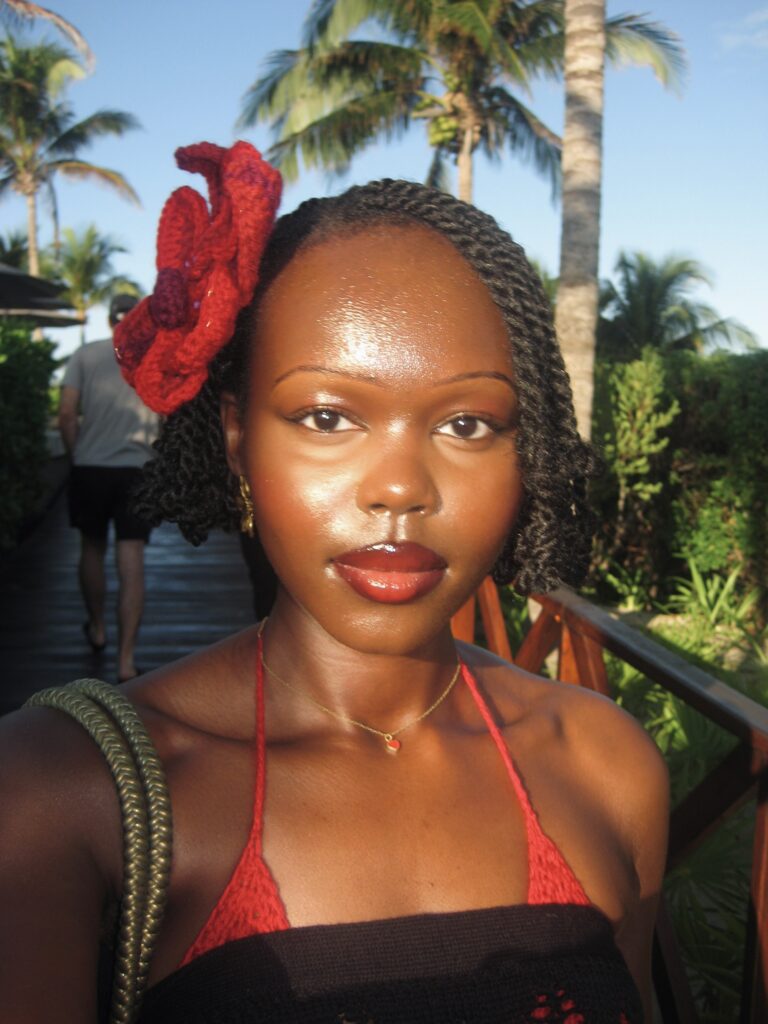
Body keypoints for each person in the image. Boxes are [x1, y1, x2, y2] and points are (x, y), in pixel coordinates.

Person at [0, 142, 668, 1023]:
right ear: (238, 436)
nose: (400, 487)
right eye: (327, 416)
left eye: (468, 423)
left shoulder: (608, 764)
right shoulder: (59, 790)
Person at [58, 294, 160, 683]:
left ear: (109, 322)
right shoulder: (151, 360)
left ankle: (97, 626)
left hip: (90, 468)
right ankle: (126, 661)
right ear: (137, 321)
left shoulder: (85, 355)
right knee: (131, 559)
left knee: (91, 548)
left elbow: (67, 413)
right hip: (137, 469)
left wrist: (77, 453)